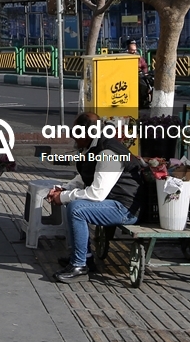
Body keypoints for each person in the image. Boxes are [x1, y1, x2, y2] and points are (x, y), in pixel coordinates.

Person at [48, 112, 145, 283]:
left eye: (76, 135)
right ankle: (84, 257)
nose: (74, 139)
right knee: (72, 202)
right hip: (113, 201)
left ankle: (80, 266)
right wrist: (64, 189)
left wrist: (64, 197)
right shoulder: (94, 146)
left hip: (125, 208)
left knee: (76, 208)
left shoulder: (108, 152)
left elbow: (97, 193)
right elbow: (85, 175)